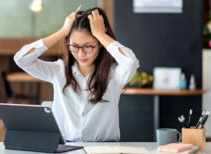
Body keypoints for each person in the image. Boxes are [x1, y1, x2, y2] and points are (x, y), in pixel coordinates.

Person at [14, 7, 139, 142]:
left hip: (104, 150)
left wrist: (101, 34)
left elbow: (130, 62)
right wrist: (62, 32)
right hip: (65, 148)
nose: (81, 54)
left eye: (88, 46)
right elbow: (21, 59)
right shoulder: (58, 70)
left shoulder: (114, 74)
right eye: (74, 46)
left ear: (100, 44)